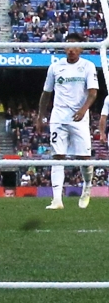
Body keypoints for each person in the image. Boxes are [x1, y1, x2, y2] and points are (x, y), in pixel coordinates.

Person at [38, 32, 99, 210]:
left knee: (84, 158)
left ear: (81, 48)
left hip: (79, 119)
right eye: (68, 45)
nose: (71, 49)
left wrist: (83, 109)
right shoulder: (55, 67)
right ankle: (57, 200)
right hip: (58, 117)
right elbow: (46, 93)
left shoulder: (88, 66)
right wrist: (40, 116)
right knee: (57, 157)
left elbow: (93, 92)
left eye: (74, 46)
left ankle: (87, 187)